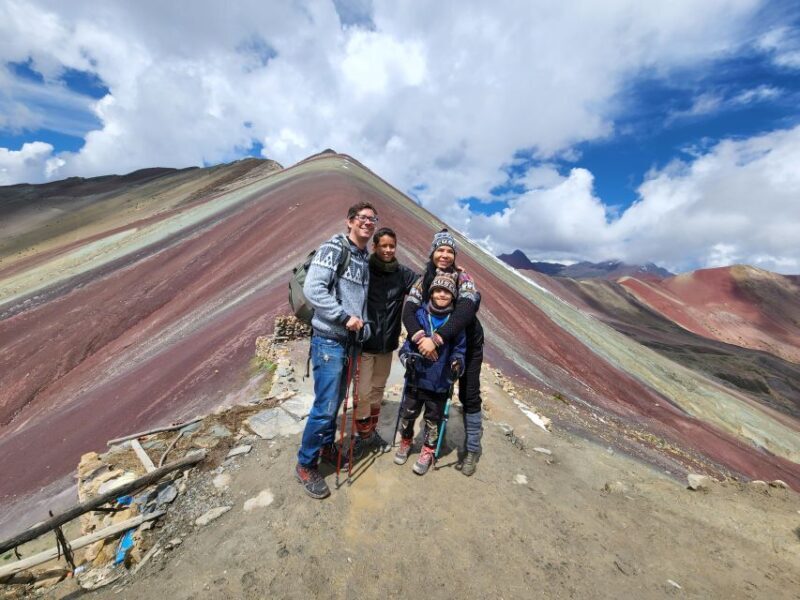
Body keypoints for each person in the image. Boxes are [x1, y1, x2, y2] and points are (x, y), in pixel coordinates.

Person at [295, 201, 377, 499]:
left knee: (337, 399)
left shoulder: (363, 258)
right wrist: (344, 317)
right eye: (363, 218)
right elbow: (313, 289)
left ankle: (327, 445)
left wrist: (362, 324)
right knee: (326, 405)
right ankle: (305, 464)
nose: (368, 223)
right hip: (329, 339)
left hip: (350, 341)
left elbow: (360, 302)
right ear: (350, 221)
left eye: (372, 219)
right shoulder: (334, 249)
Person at [402, 229, 484, 476]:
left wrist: (436, 339)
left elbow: (466, 310)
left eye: (450, 251)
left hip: (466, 342)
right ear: (433, 252)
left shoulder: (464, 278)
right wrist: (420, 338)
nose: (445, 255)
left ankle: (471, 449)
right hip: (429, 343)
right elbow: (409, 310)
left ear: (455, 255)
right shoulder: (424, 279)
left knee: (469, 394)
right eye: (441, 250)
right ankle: (431, 436)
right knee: (432, 389)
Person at [395, 271, 465, 475]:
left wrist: (457, 363)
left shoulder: (455, 322)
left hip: (440, 381)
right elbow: (406, 346)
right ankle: (406, 441)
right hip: (416, 379)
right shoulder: (419, 316)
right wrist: (406, 357)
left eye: (447, 291)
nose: (442, 294)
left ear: (453, 295)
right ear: (432, 292)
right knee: (408, 415)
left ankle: (428, 450)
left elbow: (460, 350)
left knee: (433, 420)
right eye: (438, 290)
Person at [354, 227, 417, 453]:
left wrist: (453, 275)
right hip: (364, 343)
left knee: (378, 389)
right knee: (362, 392)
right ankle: (362, 435)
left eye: (392, 246)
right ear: (375, 247)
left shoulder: (403, 273)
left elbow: (424, 286)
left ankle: (371, 432)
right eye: (384, 246)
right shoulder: (363, 269)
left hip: (387, 344)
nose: (389, 250)